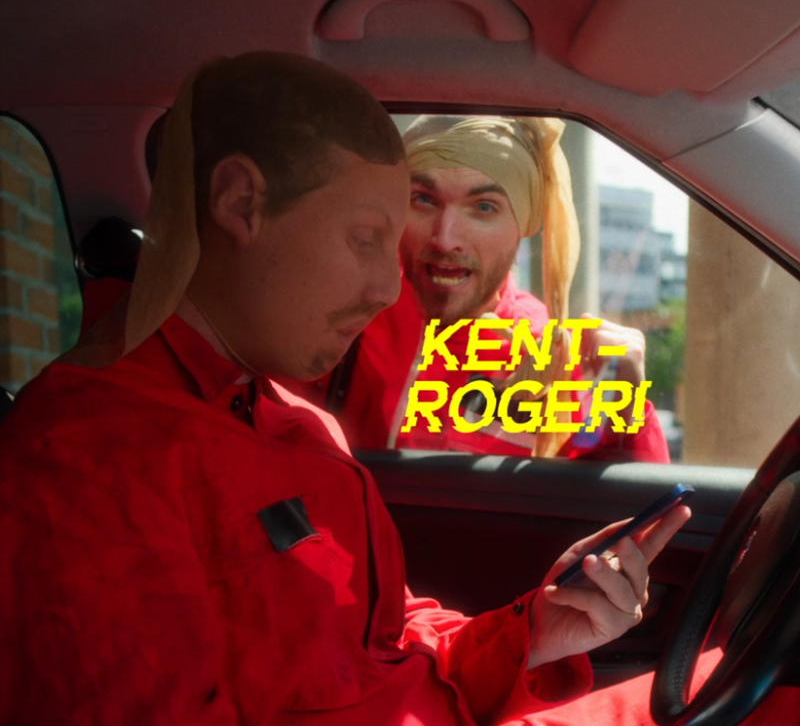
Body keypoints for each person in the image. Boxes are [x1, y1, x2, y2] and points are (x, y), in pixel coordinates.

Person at [0, 52, 688, 725]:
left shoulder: (294, 416)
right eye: (367, 238)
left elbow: (389, 648)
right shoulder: (90, 456)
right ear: (240, 203)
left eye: (483, 206)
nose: (391, 285)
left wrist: (534, 631)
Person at [293, 115, 670, 462]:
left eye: (484, 207)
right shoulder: (345, 316)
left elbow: (631, 504)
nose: (445, 239)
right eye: (423, 200)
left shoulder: (556, 356)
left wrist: (624, 414)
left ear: (523, 224)